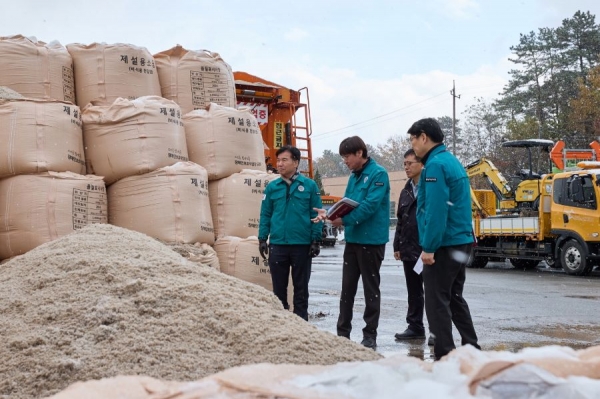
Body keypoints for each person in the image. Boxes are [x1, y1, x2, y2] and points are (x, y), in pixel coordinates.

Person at [407, 118, 481, 360]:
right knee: (454, 297)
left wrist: (429, 247)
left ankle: (444, 355)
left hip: (445, 244)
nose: (412, 145)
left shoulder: (436, 165)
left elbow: (437, 210)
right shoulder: (450, 160)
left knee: (437, 301)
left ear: (424, 137)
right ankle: (471, 347)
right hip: (459, 241)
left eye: (413, 139)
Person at [312, 136, 390, 349]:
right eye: (343, 157)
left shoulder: (378, 174)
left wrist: (344, 220)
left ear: (359, 153)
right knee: (347, 288)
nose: (345, 161)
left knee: (370, 289)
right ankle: (342, 332)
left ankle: (369, 334)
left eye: (347, 156)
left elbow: (369, 206)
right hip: (354, 239)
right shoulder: (354, 177)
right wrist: (330, 214)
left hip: (371, 241)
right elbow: (346, 202)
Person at [258, 145, 323, 321]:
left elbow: (316, 213)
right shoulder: (273, 187)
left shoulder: (309, 186)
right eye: (278, 160)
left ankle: (301, 324)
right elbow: (266, 214)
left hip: (301, 246)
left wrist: (316, 240)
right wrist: (262, 238)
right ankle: (280, 323)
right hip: (278, 245)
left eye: (284, 160)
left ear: (296, 162)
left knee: (301, 289)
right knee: (278, 289)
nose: (279, 164)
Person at [393, 149, 435, 346]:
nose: (407, 167)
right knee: (414, 291)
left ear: (422, 165)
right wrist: (397, 244)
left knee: (435, 291)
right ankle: (415, 326)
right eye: (405, 164)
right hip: (409, 248)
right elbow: (401, 220)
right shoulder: (406, 190)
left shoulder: (430, 186)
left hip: (429, 247)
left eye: (410, 163)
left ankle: (437, 330)